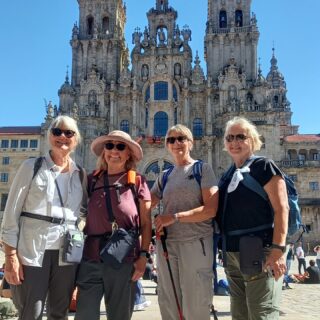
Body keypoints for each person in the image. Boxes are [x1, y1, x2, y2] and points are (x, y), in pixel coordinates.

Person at [1, 115, 85, 319]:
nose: (62, 137)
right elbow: (12, 212)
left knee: (59, 312)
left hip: (66, 254)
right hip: (32, 252)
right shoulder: (32, 166)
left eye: (69, 133)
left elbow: (83, 213)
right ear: (49, 136)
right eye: (57, 131)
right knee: (31, 311)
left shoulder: (80, 174)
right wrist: (11, 256)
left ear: (76, 139)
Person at [217, 117, 288, 320]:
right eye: (229, 137)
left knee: (261, 313)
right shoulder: (229, 174)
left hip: (259, 249)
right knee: (239, 314)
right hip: (232, 253)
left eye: (241, 136)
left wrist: (278, 250)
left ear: (253, 140)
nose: (234, 142)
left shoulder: (264, 166)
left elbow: (282, 208)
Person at [75, 130, 152, 320]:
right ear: (104, 151)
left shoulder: (137, 181)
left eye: (120, 146)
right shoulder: (91, 180)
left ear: (129, 154)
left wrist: (144, 256)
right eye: (109, 146)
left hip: (123, 259)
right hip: (91, 257)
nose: (114, 151)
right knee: (85, 314)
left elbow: (146, 223)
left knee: (119, 315)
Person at [151, 124, 219, 320]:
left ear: (191, 142)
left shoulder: (202, 169)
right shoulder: (164, 176)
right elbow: (145, 202)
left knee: (196, 300)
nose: (176, 143)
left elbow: (210, 209)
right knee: (168, 300)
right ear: (167, 145)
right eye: (171, 140)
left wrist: (174, 217)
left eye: (181, 138)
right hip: (167, 245)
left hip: (195, 242)